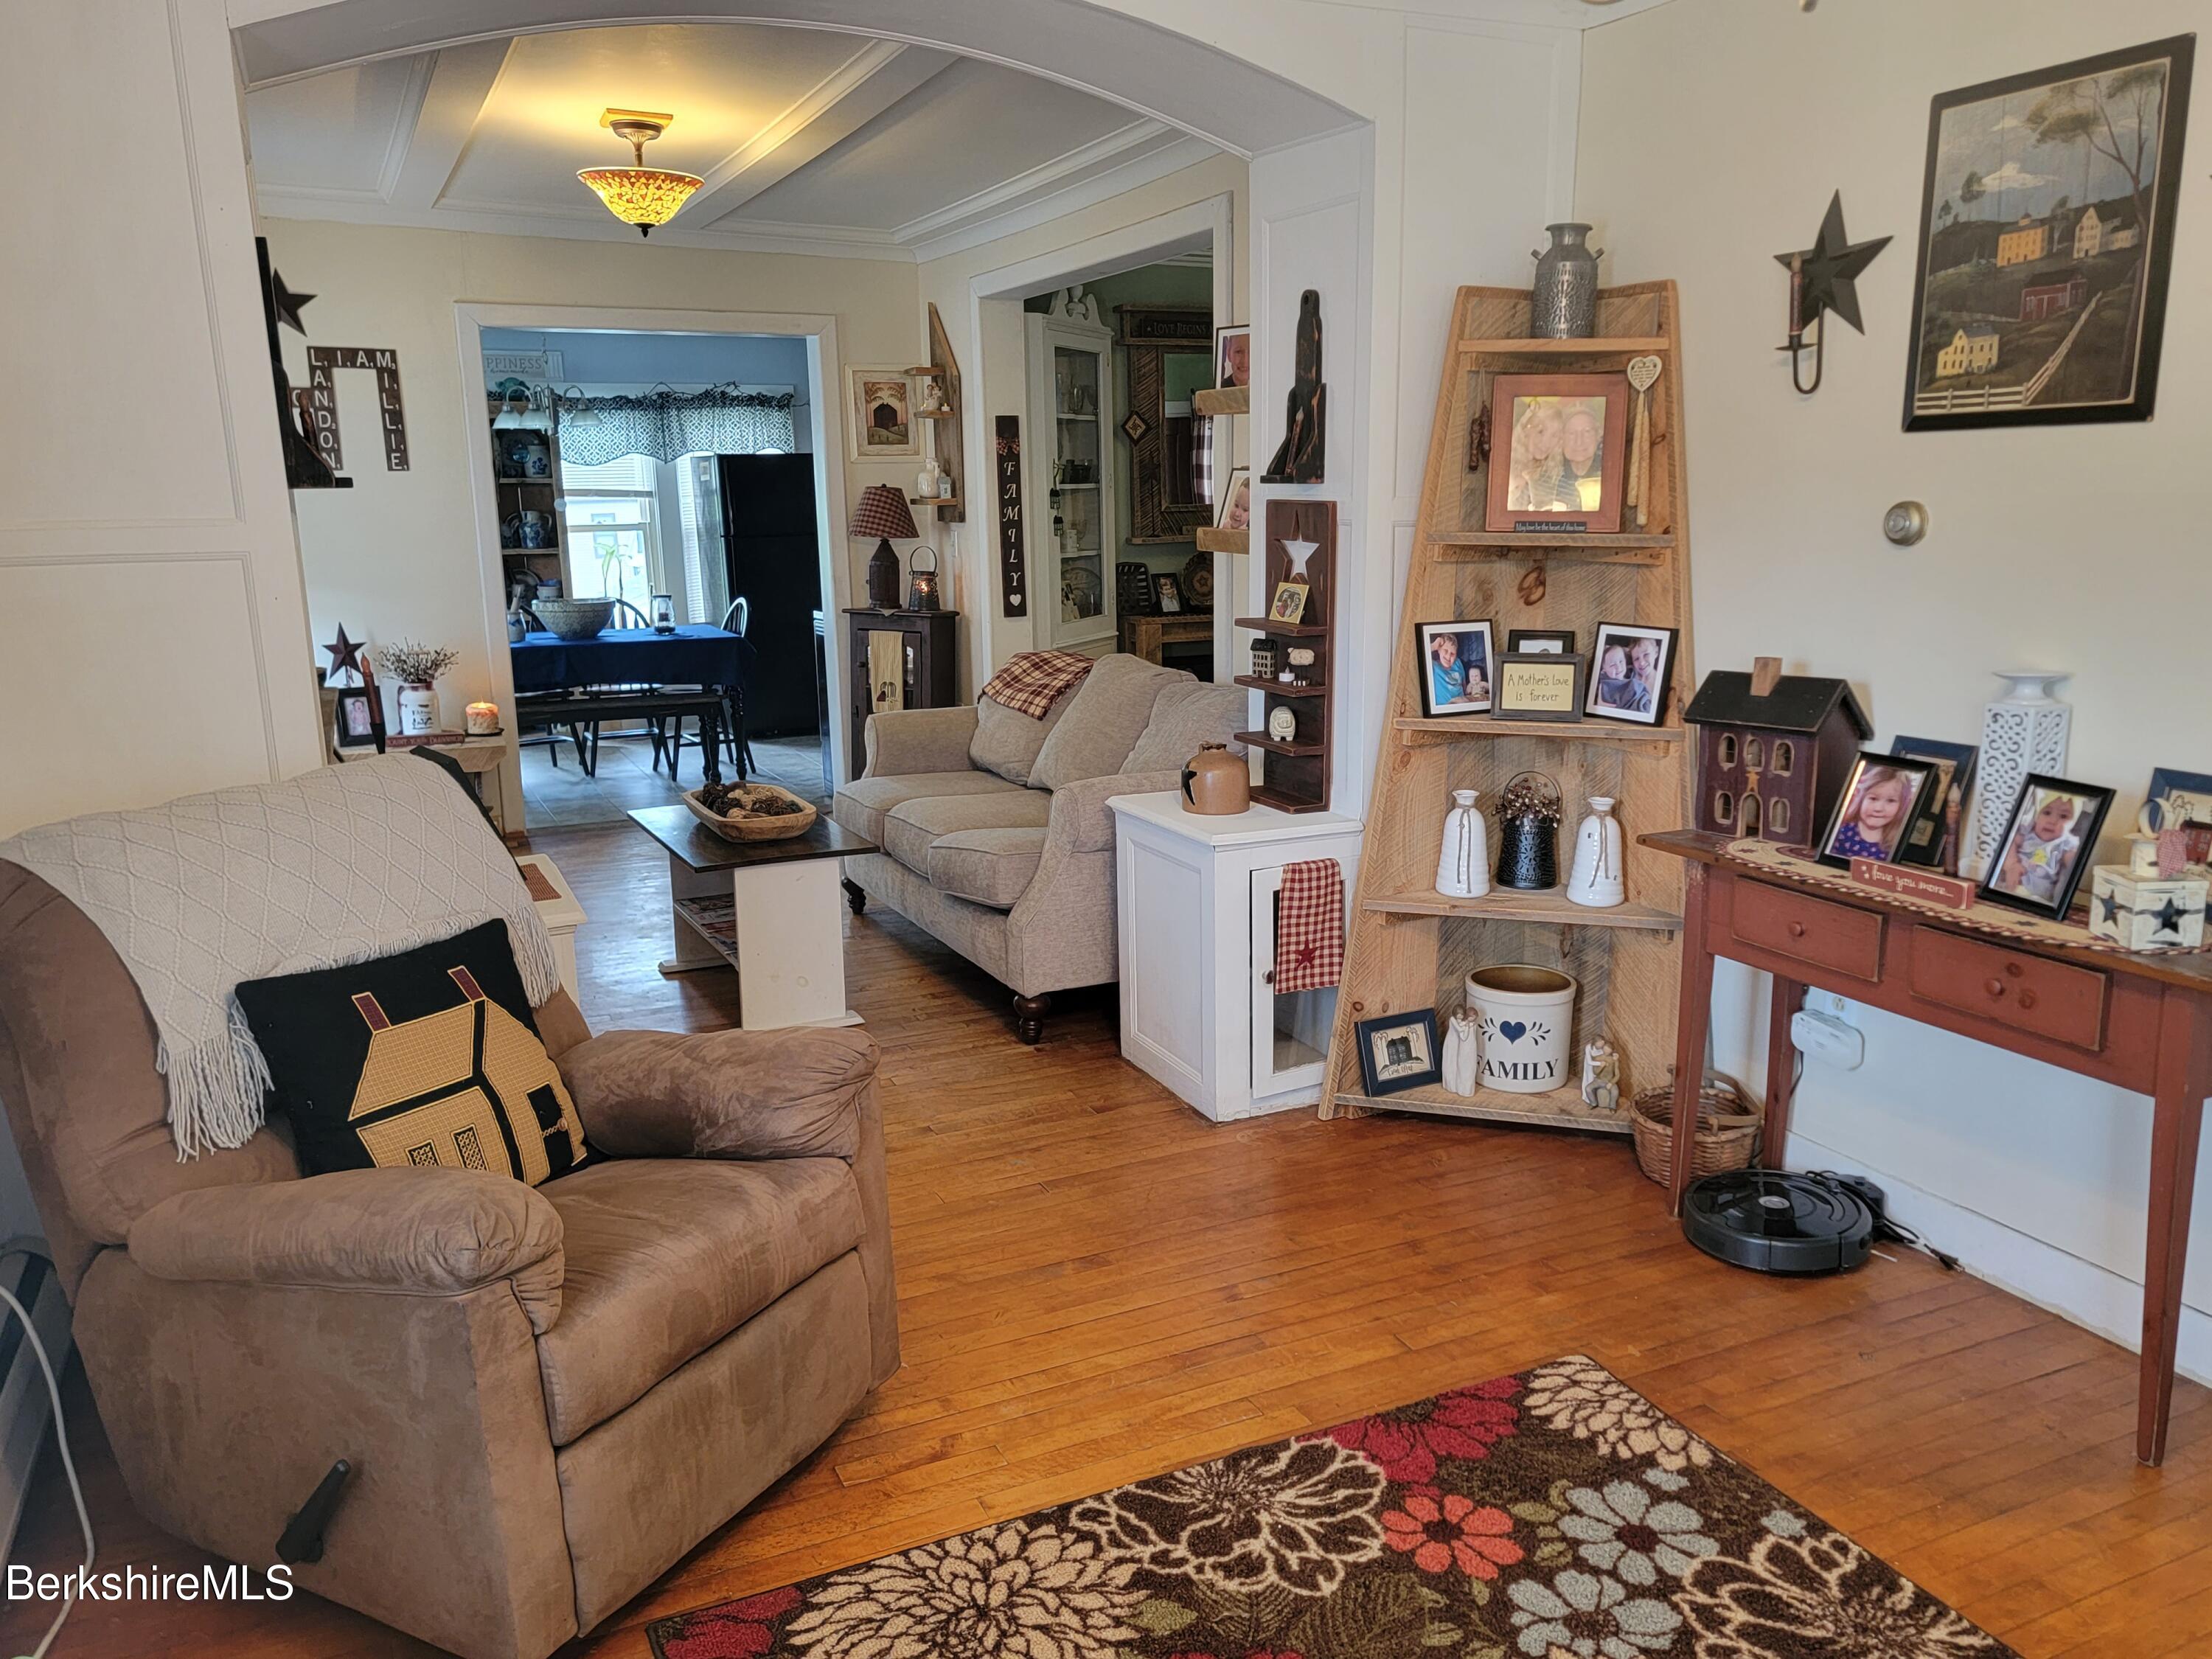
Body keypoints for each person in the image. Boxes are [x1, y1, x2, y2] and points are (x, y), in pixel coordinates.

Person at [1999, 790, 2083, 905]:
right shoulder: (2028, 833)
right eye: (2047, 813)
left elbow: (2074, 864)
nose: (2052, 821)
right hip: (2014, 884)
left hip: (2038, 897)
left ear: (2072, 824)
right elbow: (2009, 842)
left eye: (2063, 816)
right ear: (2037, 816)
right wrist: (2012, 865)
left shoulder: (2065, 843)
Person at [1829, 765, 1916, 861]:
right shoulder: (1843, 831)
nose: (1879, 809)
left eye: (1891, 801)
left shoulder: (1898, 842)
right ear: (1861, 799)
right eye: (1873, 799)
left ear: (1902, 806)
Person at [1509, 403, 1573, 511]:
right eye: (1541, 432)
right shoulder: (1503, 466)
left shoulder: (1551, 475)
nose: (1546, 442)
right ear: (1526, 430)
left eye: (1554, 435)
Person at [1559, 405, 1605, 509]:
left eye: (1587, 432)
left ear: (1598, 436)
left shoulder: (1610, 476)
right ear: (1561, 438)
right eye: (1571, 433)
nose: (1579, 441)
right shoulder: (1547, 479)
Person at [1593, 642, 1651, 714]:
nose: (1618, 667)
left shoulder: (1633, 673)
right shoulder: (1605, 685)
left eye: (1621, 661)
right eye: (1612, 665)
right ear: (1604, 669)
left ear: (1625, 661)